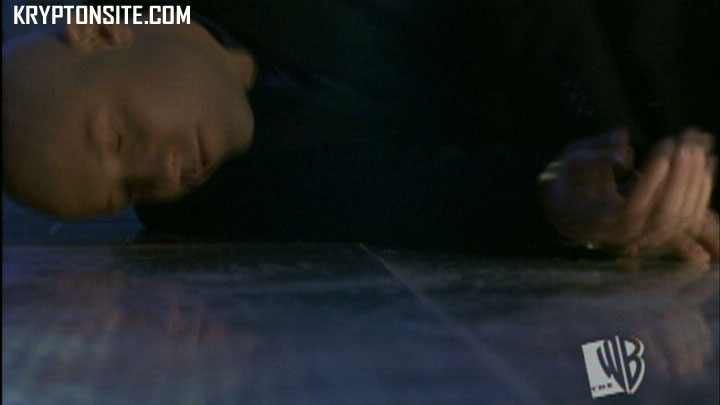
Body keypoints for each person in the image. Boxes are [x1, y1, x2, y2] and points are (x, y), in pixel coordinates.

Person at [3, 0, 718, 261]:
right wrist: (566, 203)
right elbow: (414, 199)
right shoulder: (211, 205)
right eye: (127, 192)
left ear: (104, 30)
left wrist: (621, 137)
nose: (163, 176)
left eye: (120, 141)